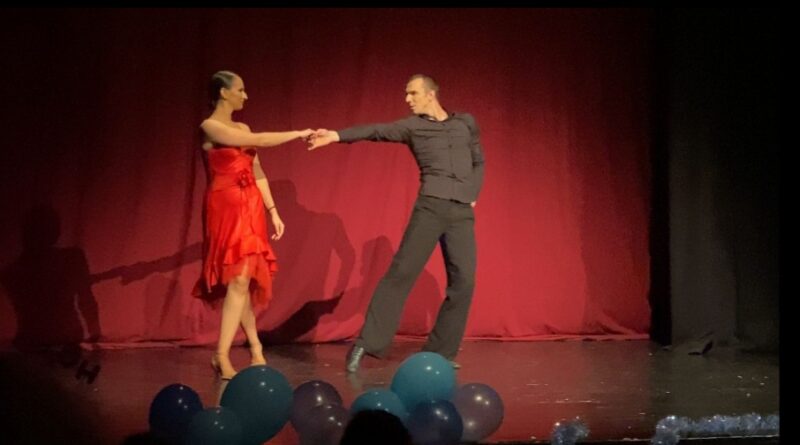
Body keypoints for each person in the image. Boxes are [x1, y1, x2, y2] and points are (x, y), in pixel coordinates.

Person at [308, 74, 485, 372]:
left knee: (464, 281)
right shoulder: (412, 127)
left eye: (413, 93)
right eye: (407, 94)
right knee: (401, 273)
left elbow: (478, 160)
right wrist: (336, 135)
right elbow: (376, 131)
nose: (407, 99)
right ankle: (367, 344)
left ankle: (441, 352)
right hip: (431, 207)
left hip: (461, 213)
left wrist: (473, 193)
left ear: (430, 94)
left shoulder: (465, 123)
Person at [193, 70, 313, 379]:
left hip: (251, 207)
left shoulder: (242, 126)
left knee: (243, 279)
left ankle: (254, 346)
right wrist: (297, 133)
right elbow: (257, 140)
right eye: (241, 90)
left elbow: (257, 170)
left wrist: (273, 210)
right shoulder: (209, 126)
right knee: (238, 280)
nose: (245, 96)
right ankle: (223, 354)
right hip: (225, 207)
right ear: (223, 93)